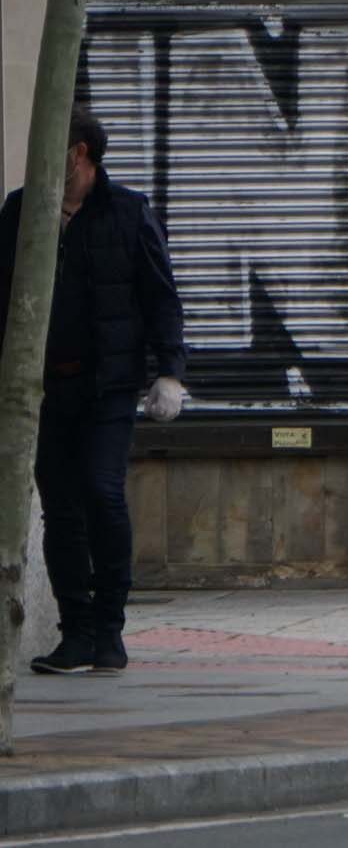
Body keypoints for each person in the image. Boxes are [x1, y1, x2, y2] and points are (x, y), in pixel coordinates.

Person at [0, 108, 186, 675]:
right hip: (43, 388)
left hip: (108, 385)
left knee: (101, 491)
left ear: (78, 153)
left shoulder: (128, 213)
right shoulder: (20, 210)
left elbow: (162, 296)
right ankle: (75, 632)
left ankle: (110, 629)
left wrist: (170, 372)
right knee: (60, 509)